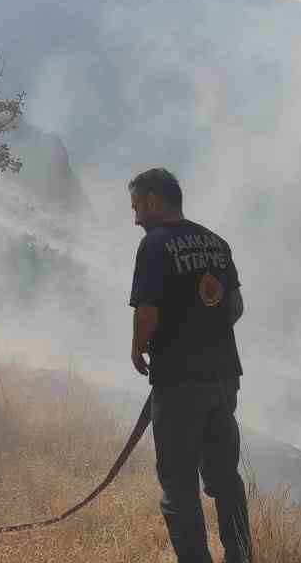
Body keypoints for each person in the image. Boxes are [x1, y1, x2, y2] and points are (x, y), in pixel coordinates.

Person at [128, 167, 252, 563]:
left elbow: (147, 312)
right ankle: (241, 556)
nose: (135, 218)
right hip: (223, 377)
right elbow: (234, 307)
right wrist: (206, 336)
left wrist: (138, 348)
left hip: (179, 384)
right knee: (224, 478)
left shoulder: (154, 244)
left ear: (152, 200)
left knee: (180, 487)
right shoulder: (217, 242)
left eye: (136, 207)